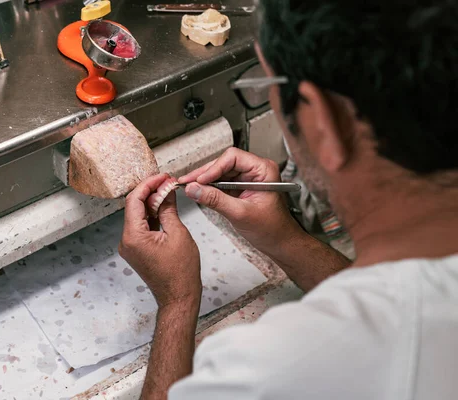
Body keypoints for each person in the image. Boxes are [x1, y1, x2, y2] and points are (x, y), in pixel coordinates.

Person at [118, 0, 458, 399]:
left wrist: (177, 300)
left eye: (268, 82)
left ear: (322, 121)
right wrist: (286, 239)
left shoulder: (274, 369)